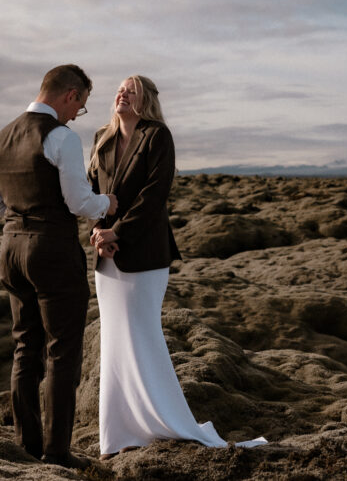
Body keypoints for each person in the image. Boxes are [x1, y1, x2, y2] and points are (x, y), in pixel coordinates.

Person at [88, 75, 267, 459]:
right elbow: (93, 191)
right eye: (119, 89)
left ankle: (168, 422)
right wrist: (98, 230)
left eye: (131, 90)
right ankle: (116, 436)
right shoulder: (101, 137)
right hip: (106, 257)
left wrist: (116, 231)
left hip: (145, 254)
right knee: (114, 341)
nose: (122, 94)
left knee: (143, 335)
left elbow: (155, 195)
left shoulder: (157, 136)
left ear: (146, 99)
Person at [0, 64, 118, 470]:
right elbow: (79, 202)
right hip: (52, 250)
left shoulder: (0, 137)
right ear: (70, 96)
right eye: (81, 106)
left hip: (10, 248)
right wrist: (107, 203)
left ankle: (27, 446)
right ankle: (57, 452)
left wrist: (23, 213)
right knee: (62, 352)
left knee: (26, 347)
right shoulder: (60, 136)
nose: (78, 115)